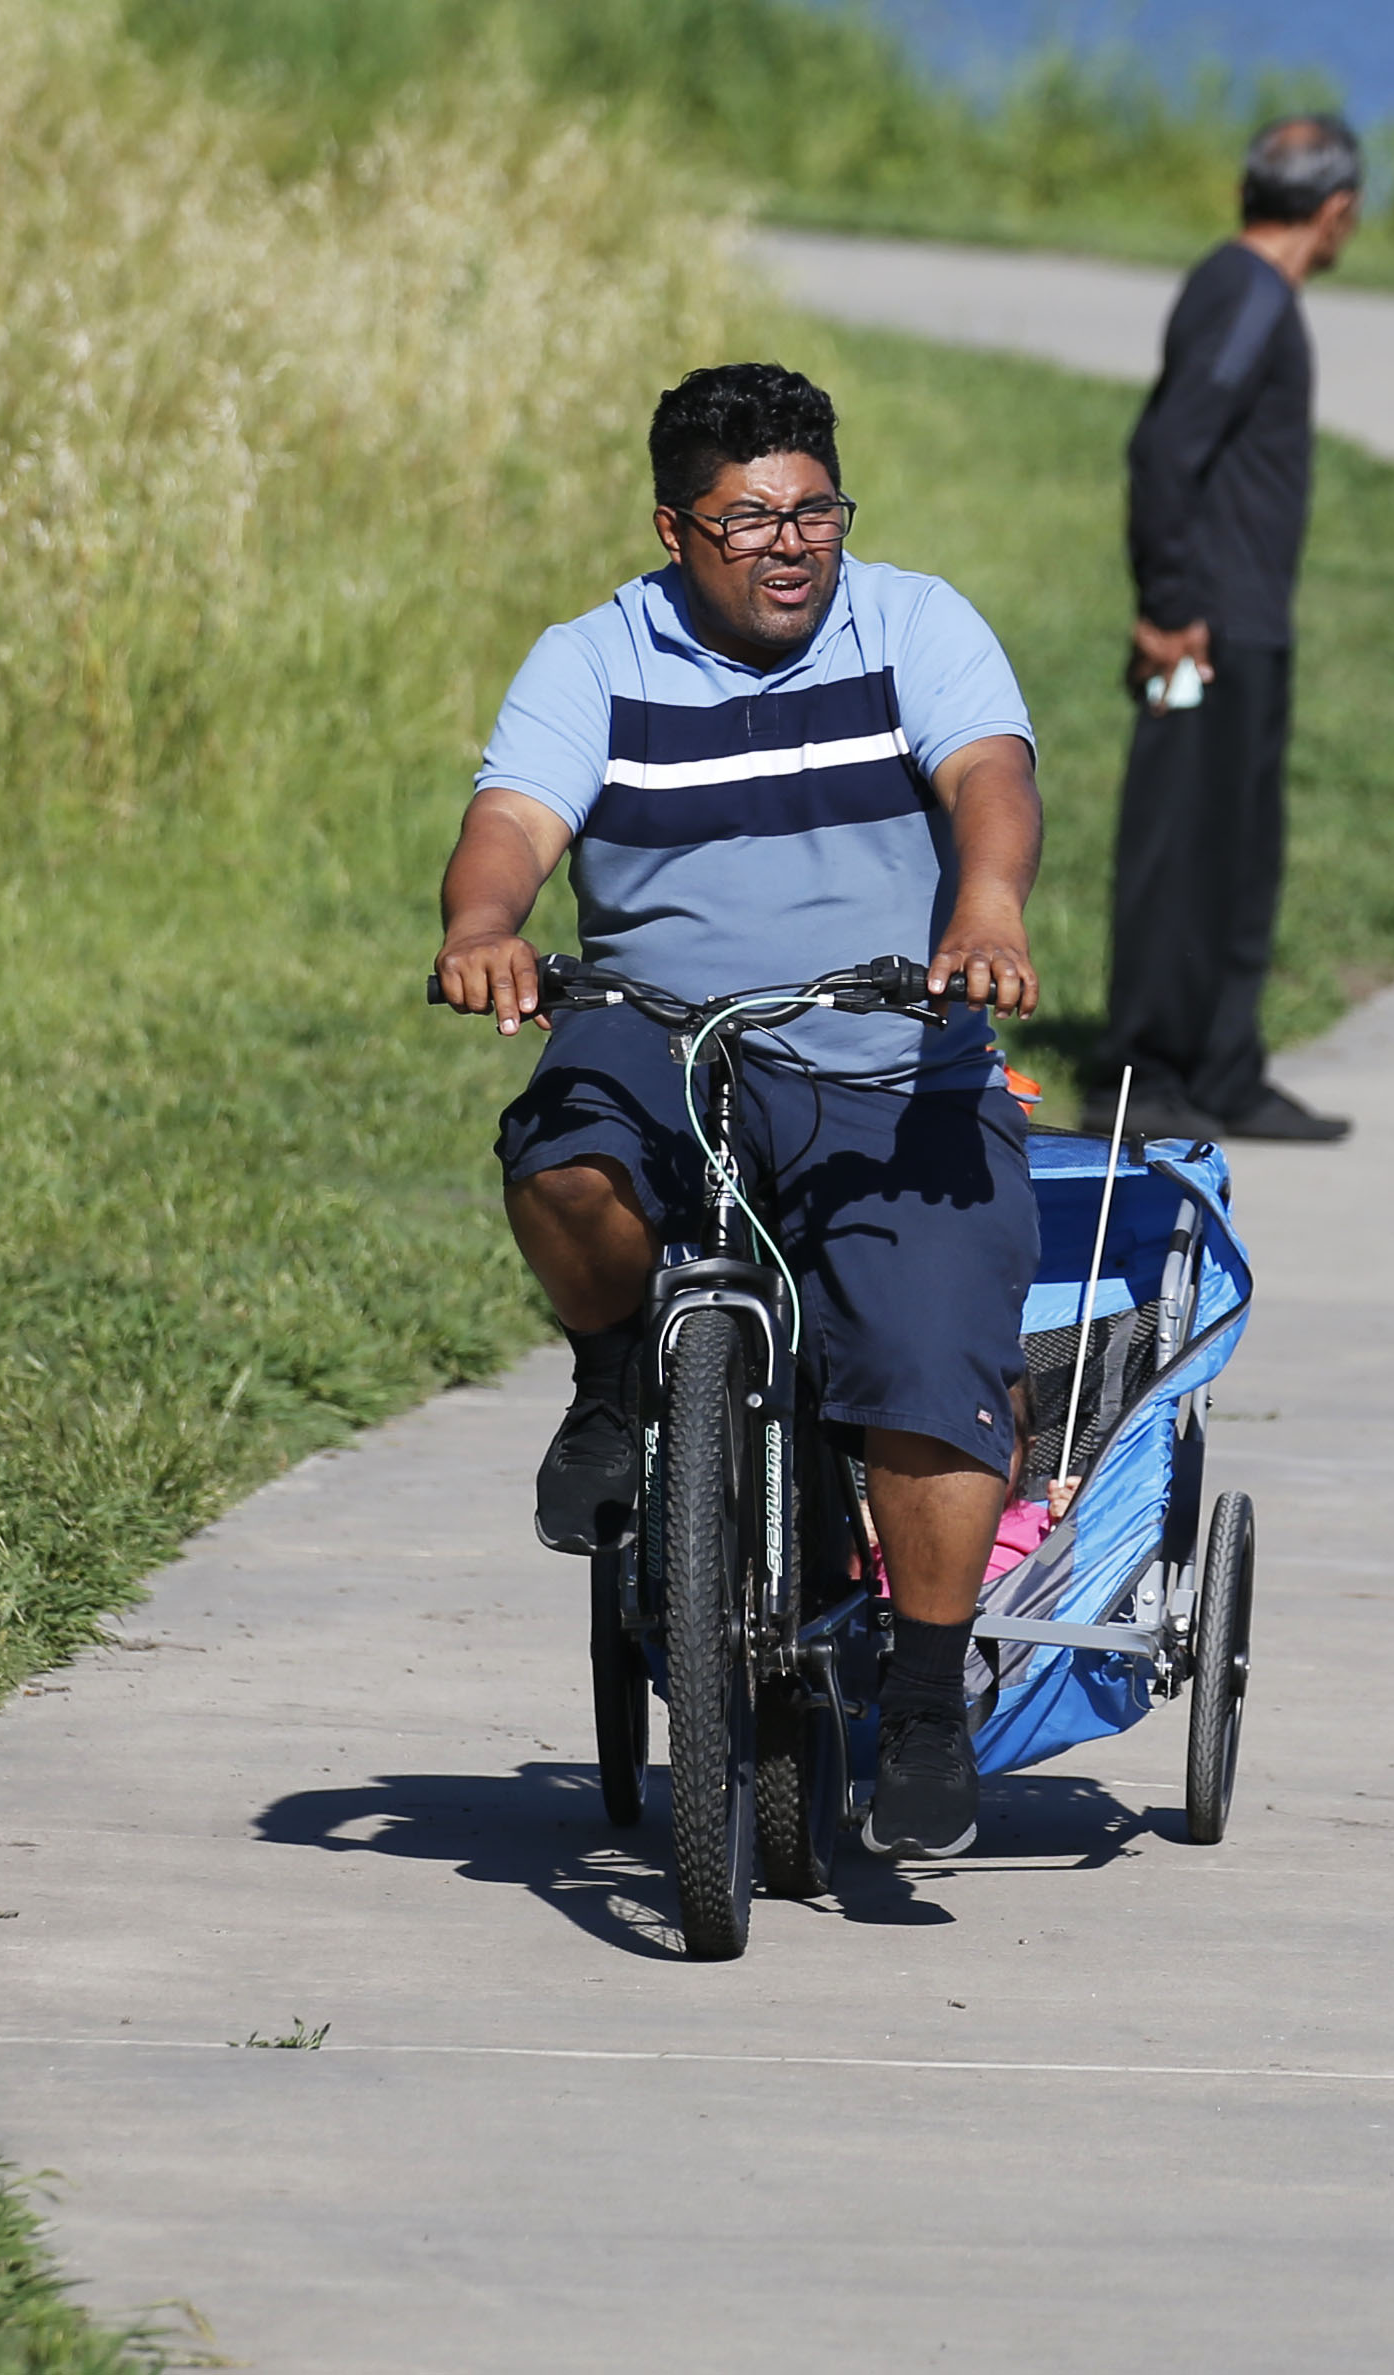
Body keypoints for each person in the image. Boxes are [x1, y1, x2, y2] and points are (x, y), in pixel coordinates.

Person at [433, 362, 1043, 1861]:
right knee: (564, 1161)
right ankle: (613, 1375)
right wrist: (484, 923)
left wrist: (985, 906)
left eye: (815, 508)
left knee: (923, 1349)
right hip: (668, 1040)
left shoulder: (916, 623)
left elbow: (989, 778)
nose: (792, 542)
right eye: (749, 517)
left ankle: (916, 1701)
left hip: (887, 1057)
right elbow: (514, 818)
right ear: (673, 527)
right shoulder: (595, 656)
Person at [1096, 113, 1366, 1145]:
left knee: (1239, 851)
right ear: (1336, 210)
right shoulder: (1250, 296)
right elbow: (1166, 449)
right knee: (1178, 849)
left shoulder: (1245, 289)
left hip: (1242, 622)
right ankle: (1148, 1077)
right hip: (1204, 627)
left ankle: (1224, 1066)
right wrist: (1170, 608)